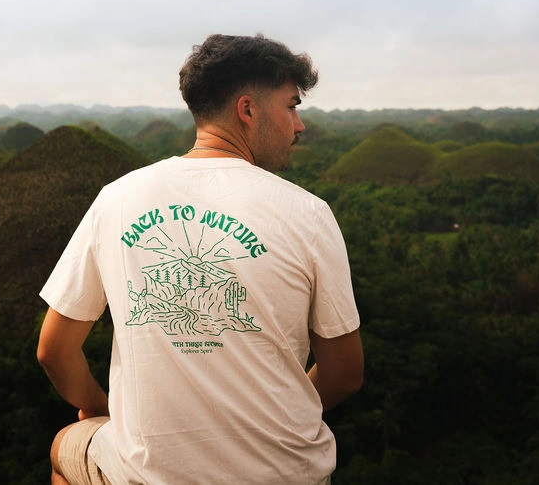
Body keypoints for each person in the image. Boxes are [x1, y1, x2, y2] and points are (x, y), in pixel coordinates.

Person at [37, 34, 363, 485]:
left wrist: (97, 410)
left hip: (151, 475)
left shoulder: (116, 200)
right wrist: (273, 416)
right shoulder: (308, 212)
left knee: (65, 447)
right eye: (291, 106)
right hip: (288, 474)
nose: (299, 125)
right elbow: (345, 372)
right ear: (247, 110)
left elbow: (53, 350)